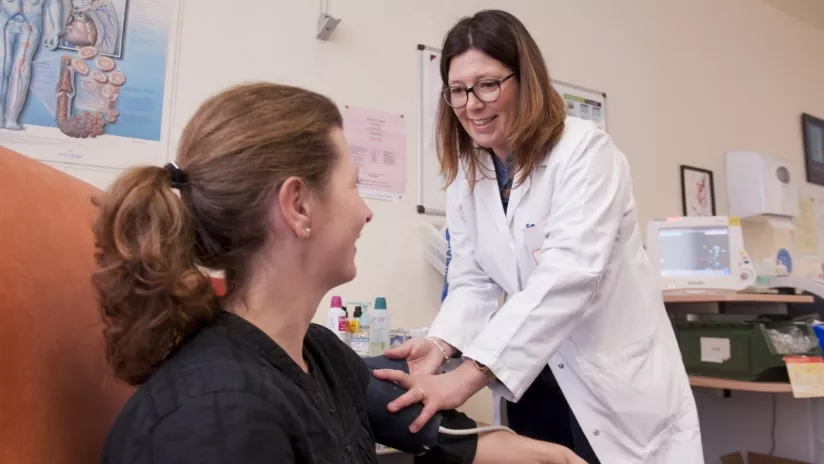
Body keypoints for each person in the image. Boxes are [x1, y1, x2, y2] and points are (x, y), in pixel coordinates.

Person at [92, 82, 585, 464]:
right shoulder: (219, 418)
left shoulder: (316, 352)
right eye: (353, 184)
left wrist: (502, 444)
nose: (366, 212)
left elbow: (401, 410)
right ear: (298, 205)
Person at [378, 10, 704, 463]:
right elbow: (472, 280)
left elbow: (569, 274)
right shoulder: (468, 173)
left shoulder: (586, 152)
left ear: (525, 80)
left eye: (488, 84)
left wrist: (466, 376)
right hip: (531, 374)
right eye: (458, 90)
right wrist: (439, 344)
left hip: (611, 380)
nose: (472, 103)